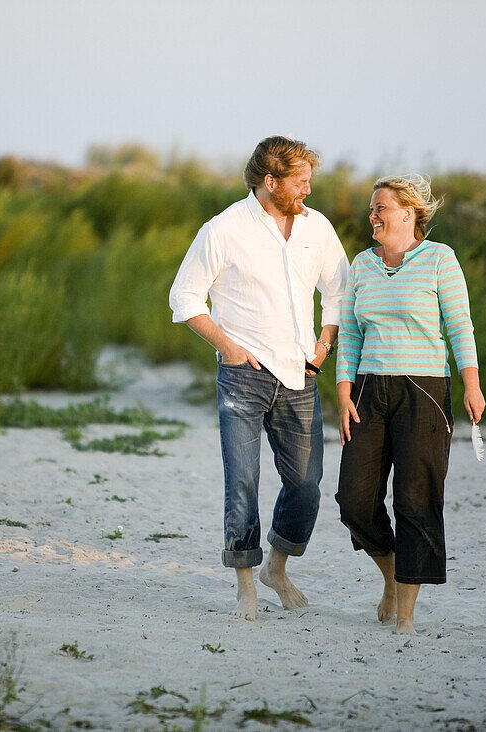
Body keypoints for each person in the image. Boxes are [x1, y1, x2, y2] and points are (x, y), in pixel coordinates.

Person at [169, 136, 349, 621]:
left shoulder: (317, 228)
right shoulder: (224, 229)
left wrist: (325, 343)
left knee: (307, 484)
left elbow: (339, 292)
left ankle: (277, 567)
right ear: (270, 182)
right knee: (243, 482)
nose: (308, 191)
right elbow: (184, 298)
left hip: (300, 375)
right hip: (243, 378)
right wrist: (228, 348)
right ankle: (245, 583)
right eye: (300, 182)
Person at [335, 174, 485, 635]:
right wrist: (343, 389)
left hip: (424, 390)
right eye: (372, 208)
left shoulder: (439, 259)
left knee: (415, 499)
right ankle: (392, 575)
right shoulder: (361, 264)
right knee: (354, 500)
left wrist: (471, 383)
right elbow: (352, 332)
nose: (373, 215)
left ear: (409, 212)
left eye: (381, 207)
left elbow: (460, 325)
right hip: (367, 390)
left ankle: (406, 615)